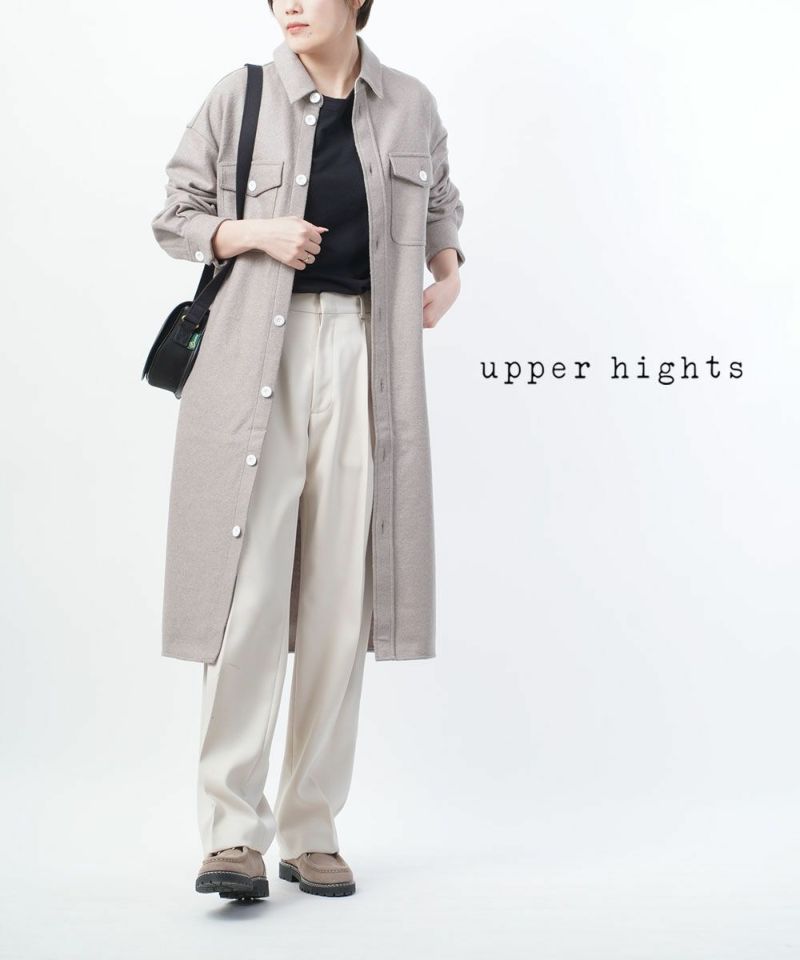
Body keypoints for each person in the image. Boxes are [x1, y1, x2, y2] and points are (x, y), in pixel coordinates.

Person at [150, 0, 465, 902]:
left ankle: (312, 828)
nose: (288, 3)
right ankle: (229, 834)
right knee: (246, 596)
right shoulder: (241, 96)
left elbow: (440, 199)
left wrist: (449, 268)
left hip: (367, 354)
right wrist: (255, 232)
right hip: (257, 355)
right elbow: (176, 214)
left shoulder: (410, 103)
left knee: (338, 597)